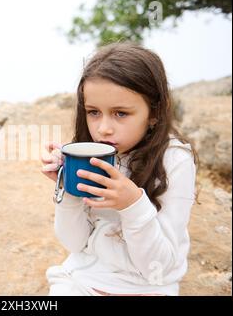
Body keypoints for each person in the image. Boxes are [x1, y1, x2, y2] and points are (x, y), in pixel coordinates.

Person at [41, 42, 197, 296]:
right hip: (82, 280)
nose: (103, 128)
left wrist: (132, 205)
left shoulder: (175, 160)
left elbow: (157, 267)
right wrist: (67, 188)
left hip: (149, 287)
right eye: (93, 112)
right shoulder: (92, 152)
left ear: (155, 112)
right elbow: (75, 243)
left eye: (120, 113)